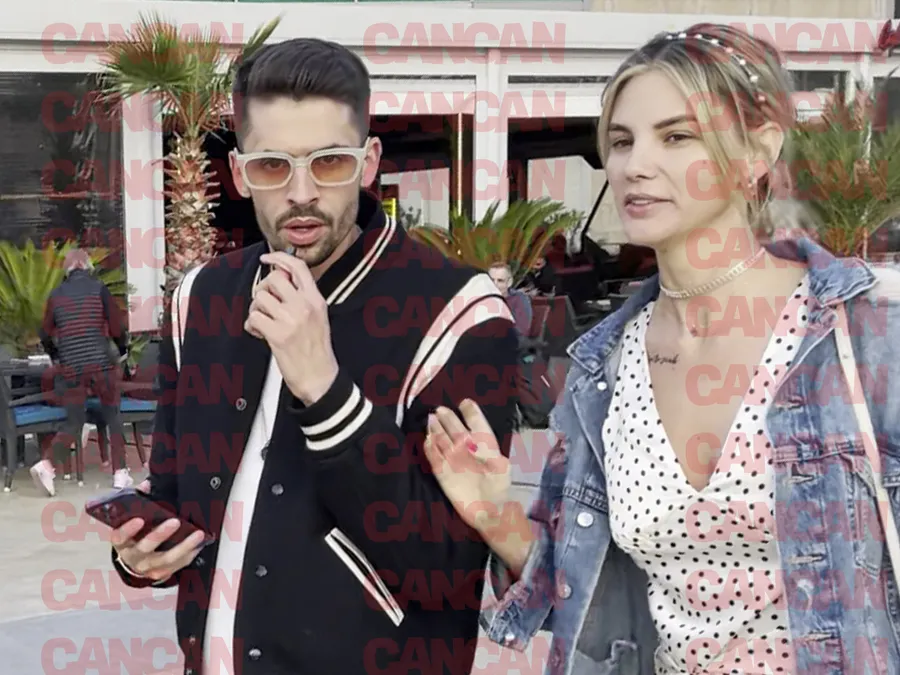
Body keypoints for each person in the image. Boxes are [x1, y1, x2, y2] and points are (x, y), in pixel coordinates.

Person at [421, 23, 900, 675]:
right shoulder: (604, 368)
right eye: (622, 141)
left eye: (677, 136)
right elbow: (588, 595)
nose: (634, 165)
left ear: (757, 151)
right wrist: (494, 513)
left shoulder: (862, 331)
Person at [107, 38, 519, 675]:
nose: (302, 192)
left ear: (368, 162)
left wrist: (325, 390)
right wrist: (141, 555)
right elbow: (173, 494)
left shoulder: (458, 314)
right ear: (240, 172)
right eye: (273, 166)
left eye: (329, 162)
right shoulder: (201, 298)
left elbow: (446, 571)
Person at [32, 249, 131, 495]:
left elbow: (44, 333)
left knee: (74, 420)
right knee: (112, 414)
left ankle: (47, 465)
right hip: (100, 364)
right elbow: (116, 326)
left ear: (67, 270)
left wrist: (56, 355)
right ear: (88, 267)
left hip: (72, 367)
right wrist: (122, 350)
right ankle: (120, 473)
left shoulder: (56, 295)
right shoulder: (99, 289)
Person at [488, 261, 533, 336]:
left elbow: (522, 329)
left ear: (509, 282)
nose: (494, 284)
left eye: (500, 280)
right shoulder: (482, 299)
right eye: (491, 280)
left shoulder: (519, 299)